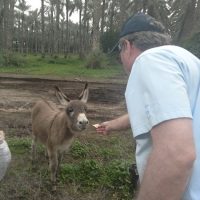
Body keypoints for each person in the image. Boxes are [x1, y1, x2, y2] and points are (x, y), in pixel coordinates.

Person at [96, 12, 200, 200]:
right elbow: (165, 111)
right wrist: (112, 125)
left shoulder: (149, 60)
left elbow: (176, 155)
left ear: (127, 46)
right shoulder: (188, 61)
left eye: (119, 53)